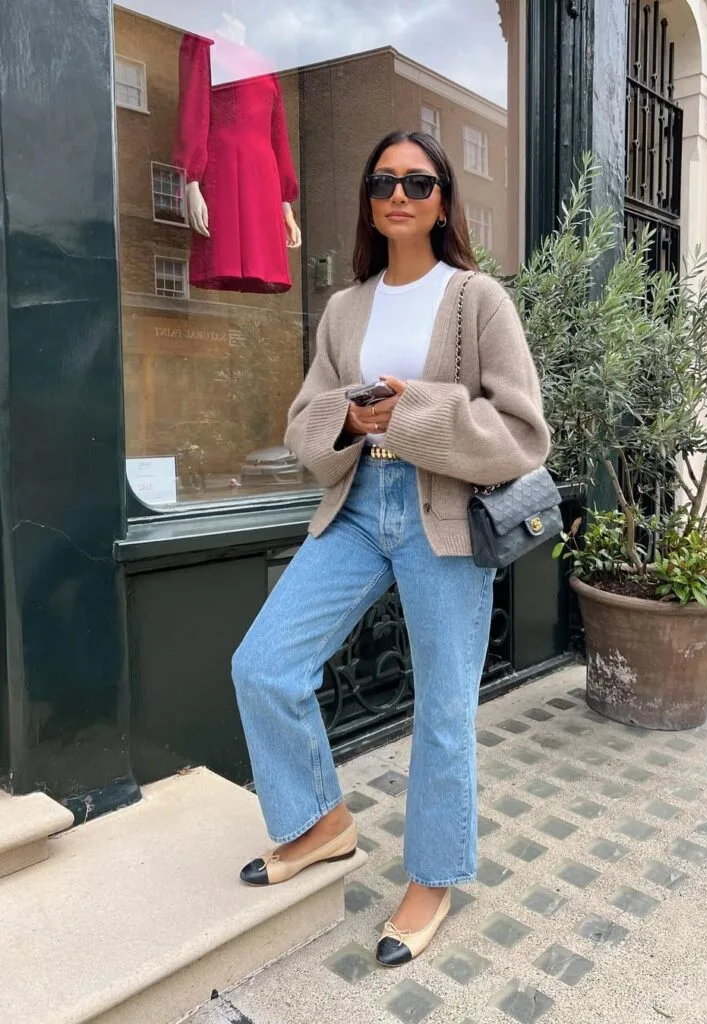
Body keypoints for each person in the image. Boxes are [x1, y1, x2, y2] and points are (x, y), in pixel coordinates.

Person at [231, 129, 550, 966]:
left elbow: (522, 431)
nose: (399, 197)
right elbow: (305, 421)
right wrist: (350, 417)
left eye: (418, 183)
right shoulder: (346, 307)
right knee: (264, 663)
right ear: (369, 200)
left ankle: (434, 876)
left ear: (444, 198)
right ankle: (322, 823)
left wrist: (409, 414)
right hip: (358, 504)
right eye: (384, 183)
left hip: (441, 509)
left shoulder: (478, 298)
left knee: (444, 708)